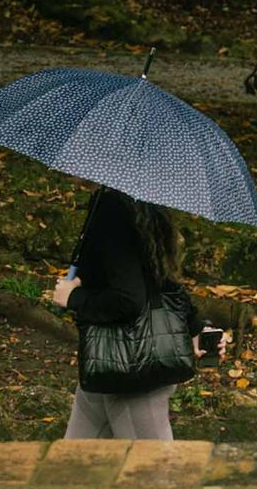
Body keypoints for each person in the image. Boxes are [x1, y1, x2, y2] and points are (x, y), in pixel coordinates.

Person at [51, 187, 221, 440]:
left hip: (132, 369)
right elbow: (158, 279)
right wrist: (195, 326)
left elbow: (129, 299)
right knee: (76, 469)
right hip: (107, 362)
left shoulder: (113, 206)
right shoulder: (137, 199)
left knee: (153, 474)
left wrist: (74, 298)